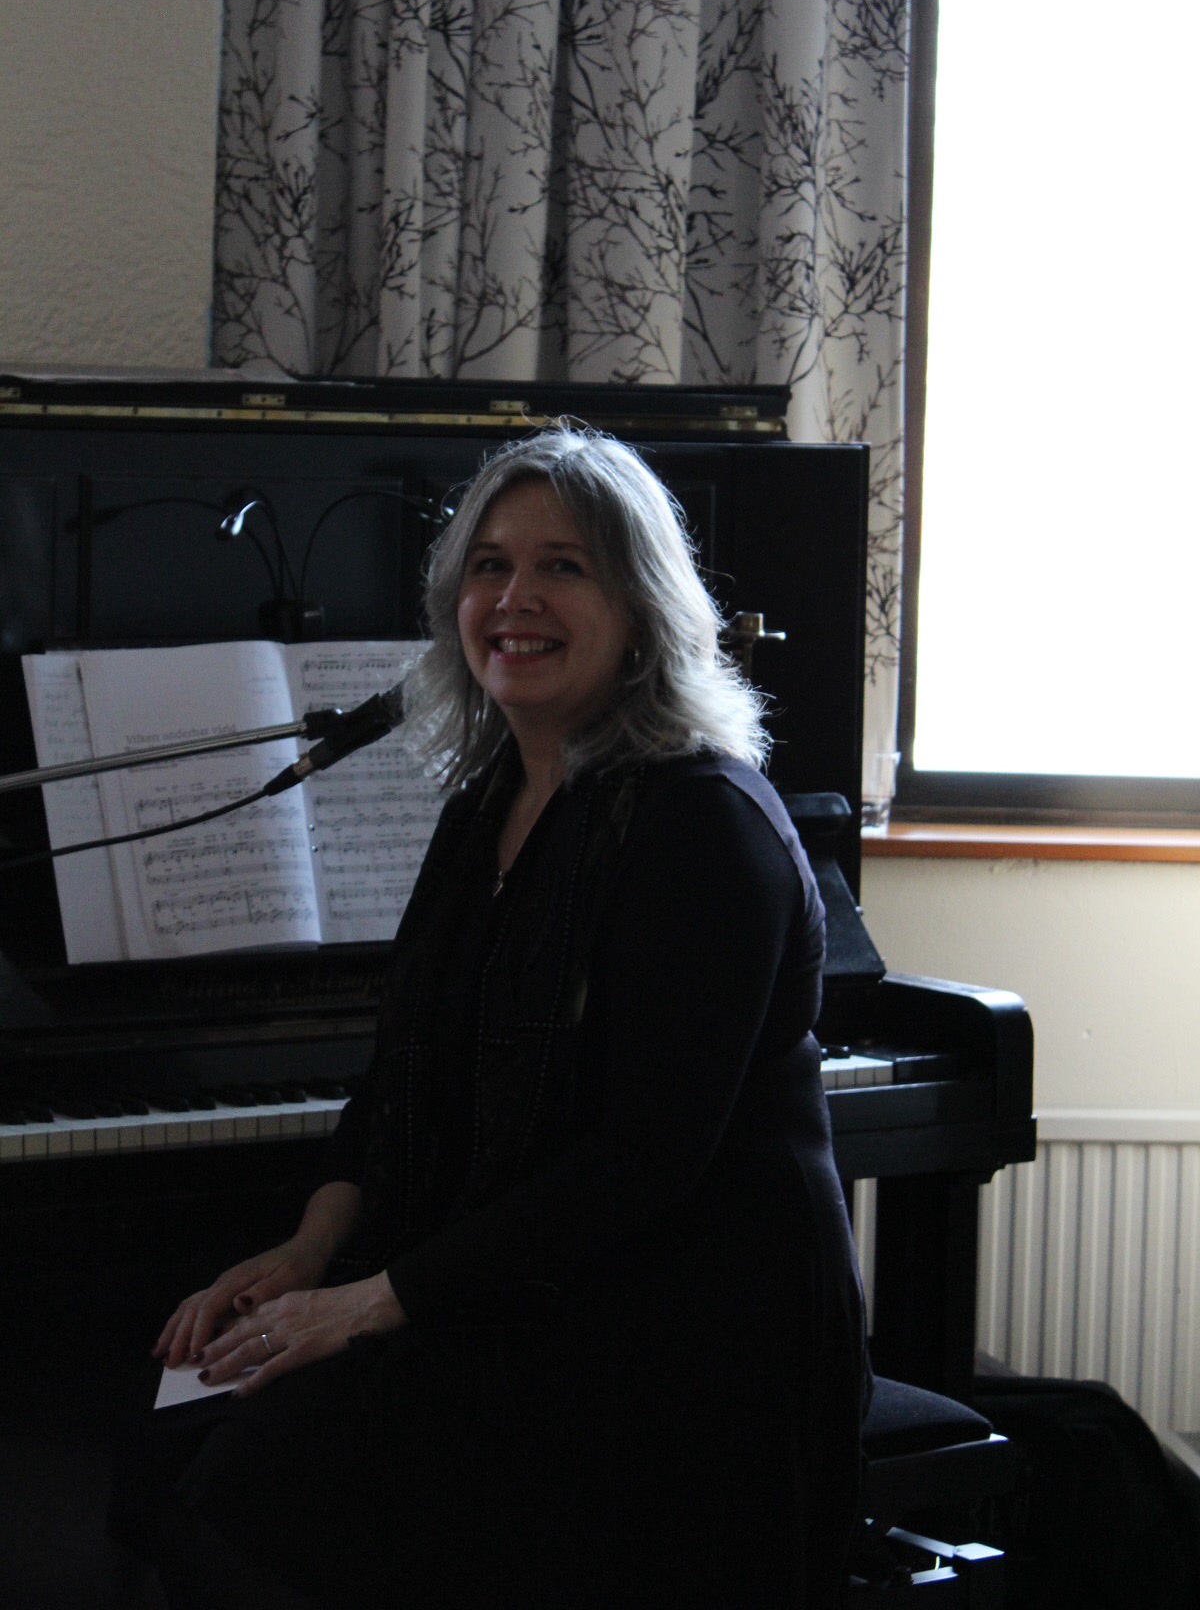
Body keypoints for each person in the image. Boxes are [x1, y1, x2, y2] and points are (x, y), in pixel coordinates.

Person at [117, 427, 869, 1608]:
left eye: (564, 567)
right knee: (169, 1437)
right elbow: (402, 1073)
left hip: (682, 1334)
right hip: (527, 1291)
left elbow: (641, 1162)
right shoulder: (490, 803)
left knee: (262, 1487)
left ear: (641, 611)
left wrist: (371, 1301)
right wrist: (308, 1252)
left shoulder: (702, 824)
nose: (515, 600)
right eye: (489, 567)